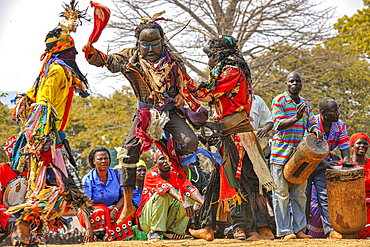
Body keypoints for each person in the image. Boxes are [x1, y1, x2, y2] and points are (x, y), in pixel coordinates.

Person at [83, 17, 206, 226]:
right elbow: (107, 62)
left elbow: (184, 83)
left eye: (154, 43)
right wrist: (92, 53)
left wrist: (180, 95)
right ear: (137, 42)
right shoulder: (130, 57)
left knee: (190, 143)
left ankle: (187, 187)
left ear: (162, 41)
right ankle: (129, 204)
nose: (150, 48)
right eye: (145, 43)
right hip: (145, 114)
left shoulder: (173, 59)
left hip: (169, 112)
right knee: (129, 151)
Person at [6, 1, 92, 245]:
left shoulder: (54, 68)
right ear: (64, 50)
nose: (75, 54)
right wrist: (42, 139)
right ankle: (24, 234)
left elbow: (32, 97)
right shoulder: (56, 70)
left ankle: (31, 235)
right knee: (52, 189)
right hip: (45, 142)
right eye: (72, 49)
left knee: (62, 190)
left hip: (52, 140)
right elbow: (42, 105)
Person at [188, 35, 276, 241]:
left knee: (248, 182)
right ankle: (208, 227)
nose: (209, 59)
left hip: (238, 138)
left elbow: (208, 93)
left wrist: (185, 81)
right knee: (218, 180)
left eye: (211, 54)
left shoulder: (232, 72)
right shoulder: (230, 70)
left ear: (219, 54)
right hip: (230, 135)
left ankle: (264, 231)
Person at [270, 71, 323, 240]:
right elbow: (278, 125)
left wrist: (316, 130)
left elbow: (311, 123)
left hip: (301, 156)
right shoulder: (279, 100)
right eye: (291, 81)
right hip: (280, 154)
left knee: (300, 194)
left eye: (298, 81)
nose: (295, 84)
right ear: (286, 84)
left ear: (301, 84)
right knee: (281, 194)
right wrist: (295, 117)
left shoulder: (306, 103)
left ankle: (299, 230)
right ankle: (285, 232)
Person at [306, 97, 350, 239]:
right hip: (306, 163)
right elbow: (307, 148)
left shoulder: (339, 125)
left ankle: (330, 230)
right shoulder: (311, 123)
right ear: (324, 113)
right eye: (334, 111)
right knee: (303, 198)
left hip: (323, 164)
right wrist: (323, 162)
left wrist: (347, 161)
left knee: (325, 197)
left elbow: (344, 145)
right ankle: (300, 230)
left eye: (338, 110)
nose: (338, 113)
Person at [136, 151, 204, 240]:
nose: (165, 161)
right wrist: (183, 201)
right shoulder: (150, 174)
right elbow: (168, 188)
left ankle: (173, 232)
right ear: (155, 163)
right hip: (146, 220)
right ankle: (154, 231)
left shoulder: (176, 174)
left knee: (188, 195)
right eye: (162, 158)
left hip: (165, 219)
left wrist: (203, 203)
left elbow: (190, 188)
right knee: (164, 193)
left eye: (167, 159)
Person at [79, 147, 133, 242]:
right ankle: (99, 239)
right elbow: (84, 205)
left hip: (114, 208)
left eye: (106, 158)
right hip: (94, 212)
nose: (103, 161)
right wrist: (88, 229)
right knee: (100, 211)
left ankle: (122, 242)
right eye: (100, 159)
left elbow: (126, 195)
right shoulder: (87, 179)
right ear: (94, 162)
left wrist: (115, 210)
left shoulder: (117, 174)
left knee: (126, 212)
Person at [344, 133, 370, 239]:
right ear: (352, 146)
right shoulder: (343, 164)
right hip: (348, 206)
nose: (362, 146)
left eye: (365, 144)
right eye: (359, 143)